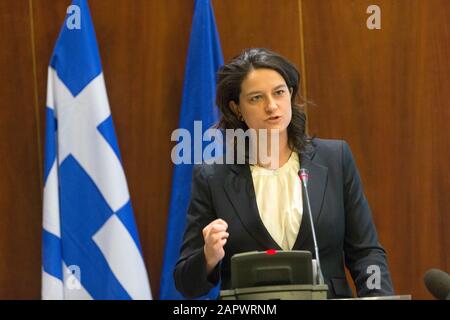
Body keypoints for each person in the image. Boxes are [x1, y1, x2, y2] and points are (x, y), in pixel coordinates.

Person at [173, 48, 394, 299]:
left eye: (279, 92)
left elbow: (366, 253)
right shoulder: (213, 177)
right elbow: (186, 283)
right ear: (237, 109)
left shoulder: (335, 159)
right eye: (256, 98)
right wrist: (208, 257)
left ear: (290, 94)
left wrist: (378, 295)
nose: (271, 106)